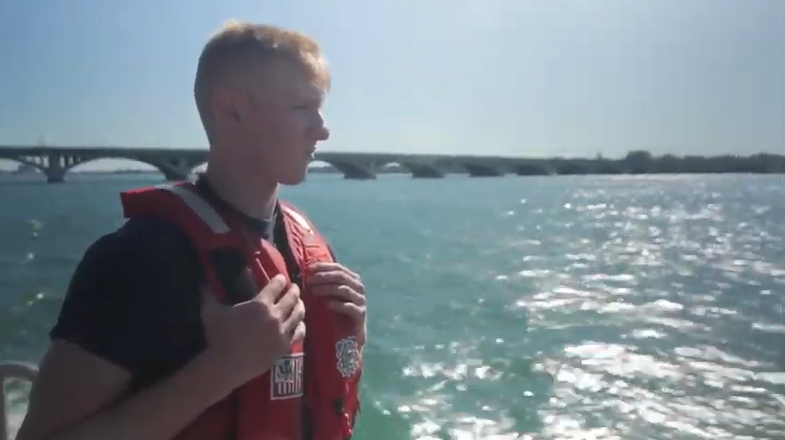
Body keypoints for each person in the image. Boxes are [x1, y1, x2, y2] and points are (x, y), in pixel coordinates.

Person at [16, 21, 366, 440]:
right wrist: (221, 370)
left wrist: (348, 337)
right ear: (231, 108)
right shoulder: (141, 258)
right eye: (302, 108)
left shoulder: (309, 244)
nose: (323, 128)